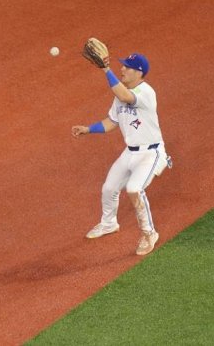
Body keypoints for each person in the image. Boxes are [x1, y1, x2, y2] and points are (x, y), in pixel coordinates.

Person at [71, 52, 171, 256]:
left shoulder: (145, 92)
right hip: (130, 152)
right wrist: (88, 129)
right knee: (109, 188)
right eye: (122, 66)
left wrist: (106, 70)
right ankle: (108, 223)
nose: (122, 69)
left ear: (139, 72)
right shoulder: (120, 96)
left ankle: (149, 233)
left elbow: (126, 97)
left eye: (127, 67)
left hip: (151, 153)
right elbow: (111, 122)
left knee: (134, 189)